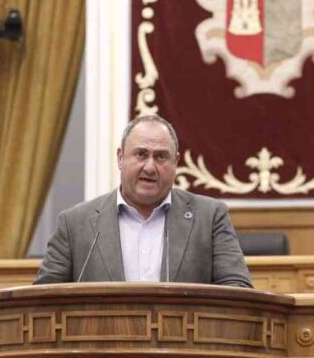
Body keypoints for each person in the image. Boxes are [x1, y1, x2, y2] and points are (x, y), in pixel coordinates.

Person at [35, 115, 252, 287]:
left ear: (175, 162)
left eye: (161, 156)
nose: (149, 167)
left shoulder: (209, 217)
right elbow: (42, 301)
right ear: (120, 158)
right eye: (140, 154)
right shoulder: (75, 224)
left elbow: (238, 290)